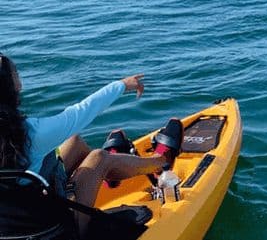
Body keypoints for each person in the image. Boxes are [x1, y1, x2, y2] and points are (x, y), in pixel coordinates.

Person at [0, 52, 182, 238]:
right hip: (46, 226)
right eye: (17, 75)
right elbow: (82, 112)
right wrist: (122, 85)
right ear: (12, 87)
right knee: (99, 157)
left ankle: (108, 173)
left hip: (13, 225)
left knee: (74, 142)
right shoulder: (33, 133)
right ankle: (160, 162)